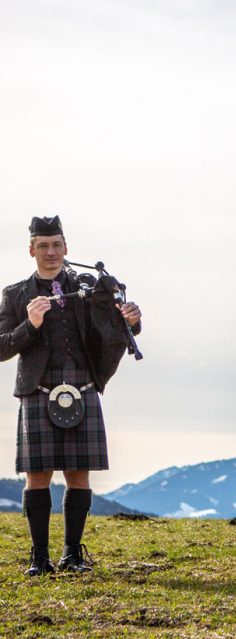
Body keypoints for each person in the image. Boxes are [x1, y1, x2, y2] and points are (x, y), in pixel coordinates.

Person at [1, 216, 141, 576]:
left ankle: (72, 554)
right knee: (38, 475)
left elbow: (110, 327)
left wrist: (132, 320)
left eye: (56, 245)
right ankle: (39, 557)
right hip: (38, 390)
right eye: (43, 246)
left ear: (66, 248)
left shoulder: (87, 288)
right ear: (31, 249)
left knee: (79, 474)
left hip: (82, 386)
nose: (50, 252)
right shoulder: (15, 295)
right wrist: (28, 326)